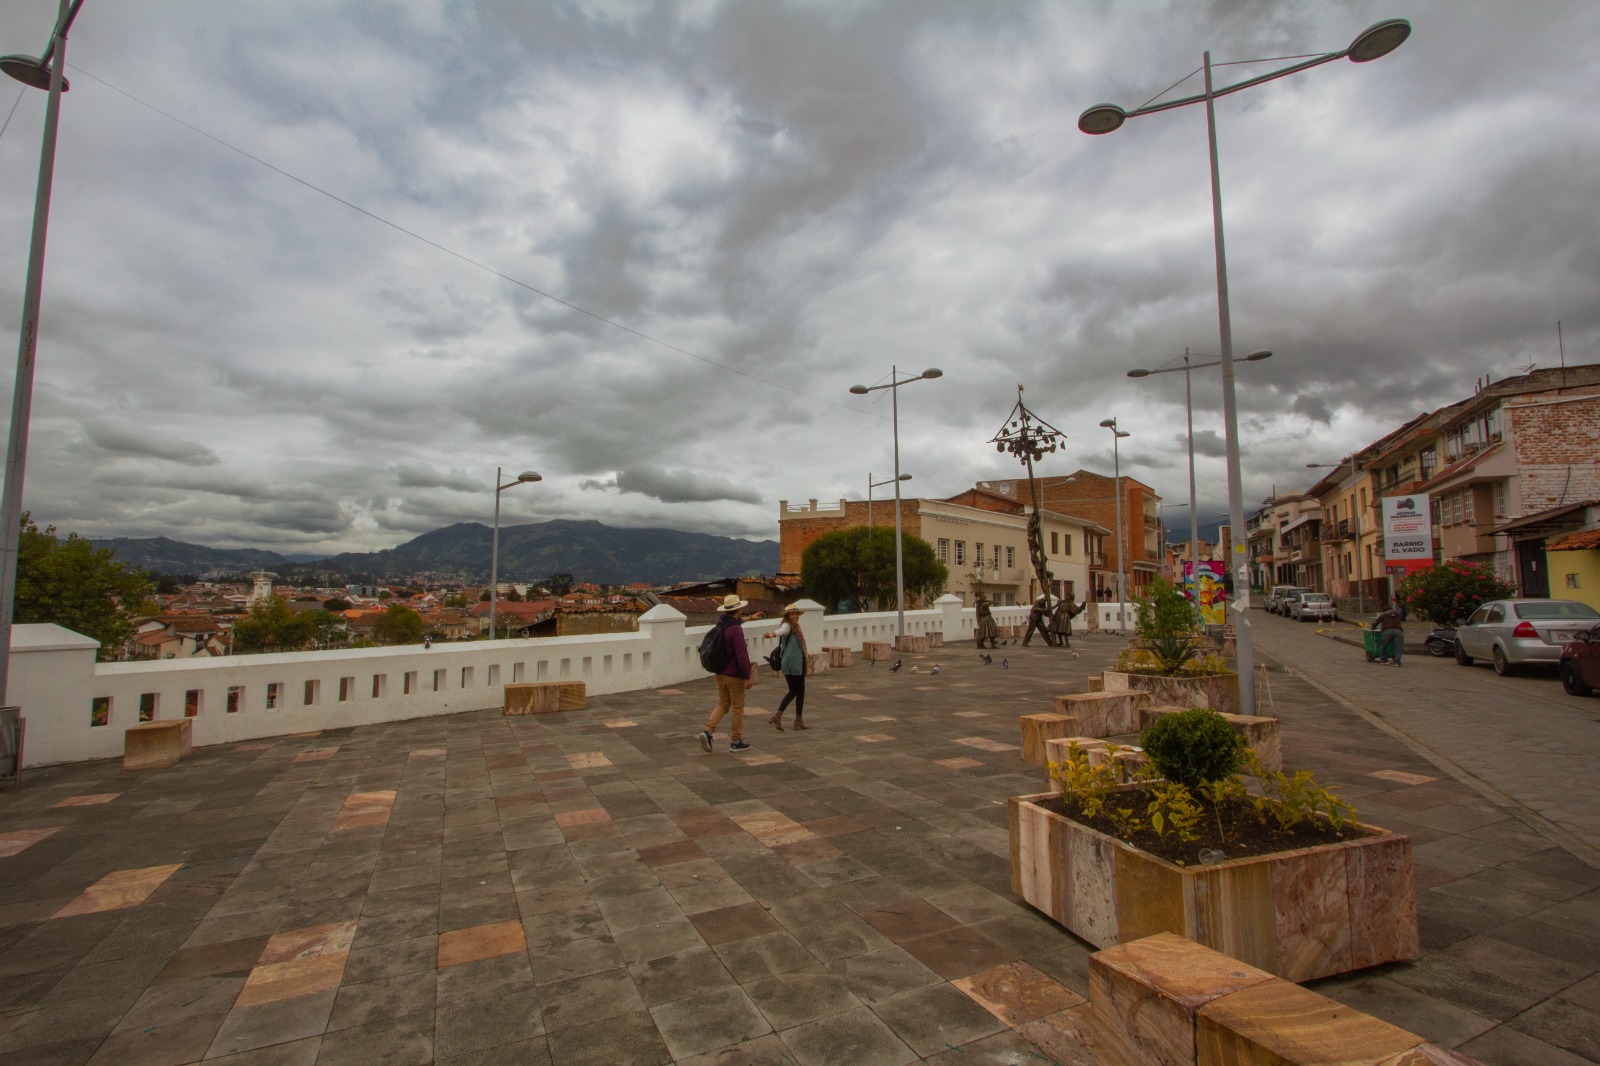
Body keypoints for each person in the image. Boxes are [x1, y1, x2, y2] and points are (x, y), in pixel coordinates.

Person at [701, 594, 755, 752]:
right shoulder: (736, 630)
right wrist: (747, 676)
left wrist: (750, 618)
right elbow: (741, 654)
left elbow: (737, 622)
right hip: (734, 675)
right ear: (738, 610)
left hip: (719, 673)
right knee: (737, 707)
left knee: (723, 704)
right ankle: (736, 741)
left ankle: (708, 731)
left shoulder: (721, 625)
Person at [768, 604, 810, 731]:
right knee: (795, 691)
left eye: (796, 614)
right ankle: (781, 716)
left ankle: (797, 719)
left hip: (796, 661)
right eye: (792, 614)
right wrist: (772, 634)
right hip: (793, 663)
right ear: (787, 616)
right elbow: (781, 631)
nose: (795, 616)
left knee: (798, 691)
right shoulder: (787, 625)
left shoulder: (796, 627)